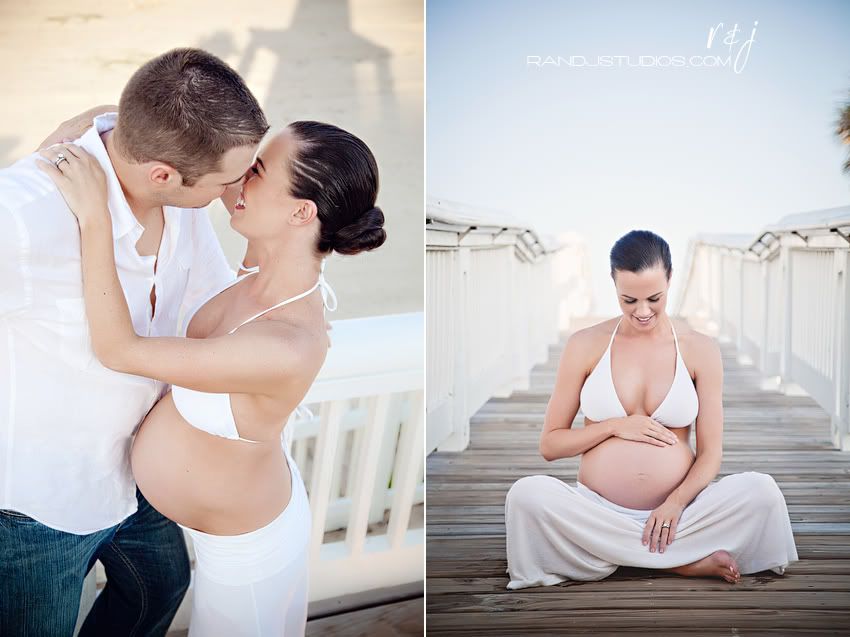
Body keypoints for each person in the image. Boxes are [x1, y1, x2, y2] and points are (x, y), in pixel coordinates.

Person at [38, 117, 386, 635]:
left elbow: (119, 349)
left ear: (300, 211)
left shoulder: (286, 343)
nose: (240, 178)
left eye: (258, 170)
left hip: (246, 560)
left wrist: (95, 218)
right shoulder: (265, 257)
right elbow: (195, 152)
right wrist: (129, 122)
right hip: (172, 509)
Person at [0, 48, 269, 635]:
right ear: (163, 173)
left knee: (159, 589)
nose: (235, 193)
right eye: (228, 180)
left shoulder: (182, 199)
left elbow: (214, 304)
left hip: (138, 471)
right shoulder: (23, 216)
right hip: (40, 502)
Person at [504, 230, 798, 589]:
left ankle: (619, 554)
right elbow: (550, 445)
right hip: (597, 513)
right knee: (526, 496)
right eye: (629, 300)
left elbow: (710, 453)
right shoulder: (585, 345)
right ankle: (680, 563)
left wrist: (674, 504)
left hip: (682, 514)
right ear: (613, 284)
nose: (642, 311)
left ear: (670, 280)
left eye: (654, 299)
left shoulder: (700, 349)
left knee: (762, 491)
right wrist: (613, 426)